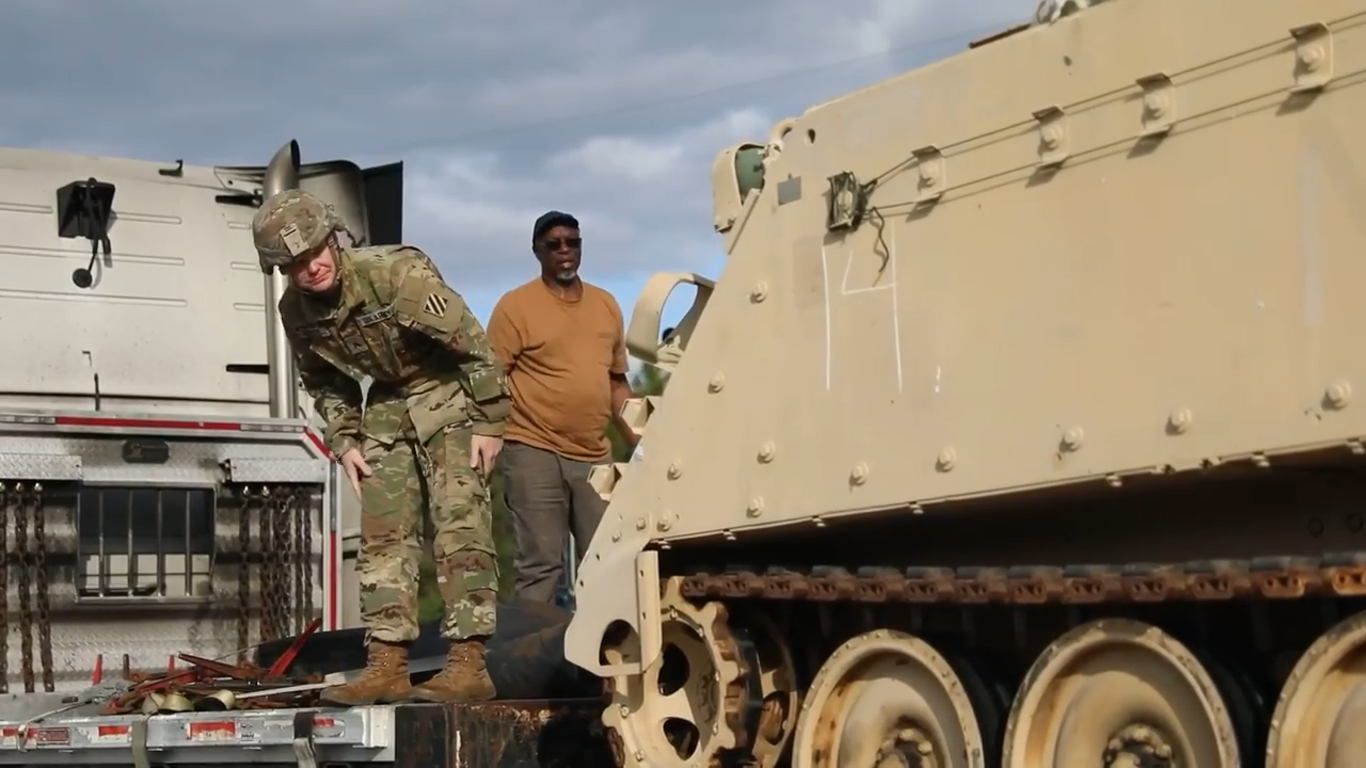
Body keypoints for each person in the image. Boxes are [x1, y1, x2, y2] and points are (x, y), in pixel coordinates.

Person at [251, 188, 510, 706]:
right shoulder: (296, 311)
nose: (311, 268)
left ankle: (468, 666)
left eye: (315, 252)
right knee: (382, 536)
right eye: (295, 264)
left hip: (449, 393)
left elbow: (473, 344)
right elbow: (324, 380)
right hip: (389, 404)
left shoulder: (395, 274)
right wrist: (344, 439)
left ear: (332, 239)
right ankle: (386, 666)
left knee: (460, 524)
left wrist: (491, 421)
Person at [486, 211, 636, 604]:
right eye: (554, 244)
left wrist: (646, 442)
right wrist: (483, 440)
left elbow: (616, 382)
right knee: (541, 565)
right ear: (537, 251)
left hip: (594, 453)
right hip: (533, 448)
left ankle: (608, 659)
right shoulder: (514, 307)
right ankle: (536, 659)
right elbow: (485, 380)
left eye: (573, 242)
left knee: (613, 557)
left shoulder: (606, 305)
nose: (565, 251)